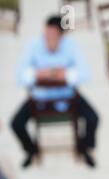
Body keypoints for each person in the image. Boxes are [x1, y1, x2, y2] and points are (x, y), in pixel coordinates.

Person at [11, 15, 99, 168]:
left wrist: (65, 74)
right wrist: (38, 74)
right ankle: (31, 150)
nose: (48, 39)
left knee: (93, 118)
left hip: (67, 98)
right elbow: (19, 75)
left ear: (62, 35)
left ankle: (84, 148)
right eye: (46, 34)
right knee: (16, 123)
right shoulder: (33, 45)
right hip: (39, 100)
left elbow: (85, 74)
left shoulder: (71, 45)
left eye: (53, 35)